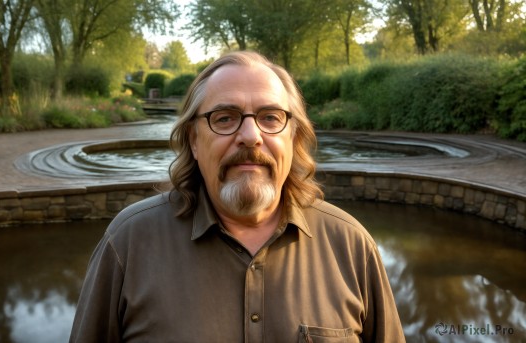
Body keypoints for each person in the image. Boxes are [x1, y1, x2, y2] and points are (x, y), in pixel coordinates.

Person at [70, 51, 405, 342]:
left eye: (270, 118)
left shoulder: (351, 246)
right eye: (225, 118)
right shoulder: (128, 244)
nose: (250, 136)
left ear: (293, 136)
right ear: (194, 141)